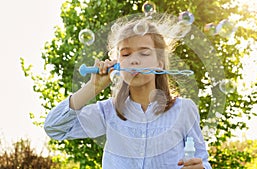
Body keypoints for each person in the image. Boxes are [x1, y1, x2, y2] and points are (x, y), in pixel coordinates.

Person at [44, 16, 212, 169]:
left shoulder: (184, 110)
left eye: (144, 53)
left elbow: (202, 161)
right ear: (118, 64)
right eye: (125, 54)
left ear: (160, 64)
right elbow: (54, 127)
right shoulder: (107, 111)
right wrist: (93, 87)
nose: (134, 60)